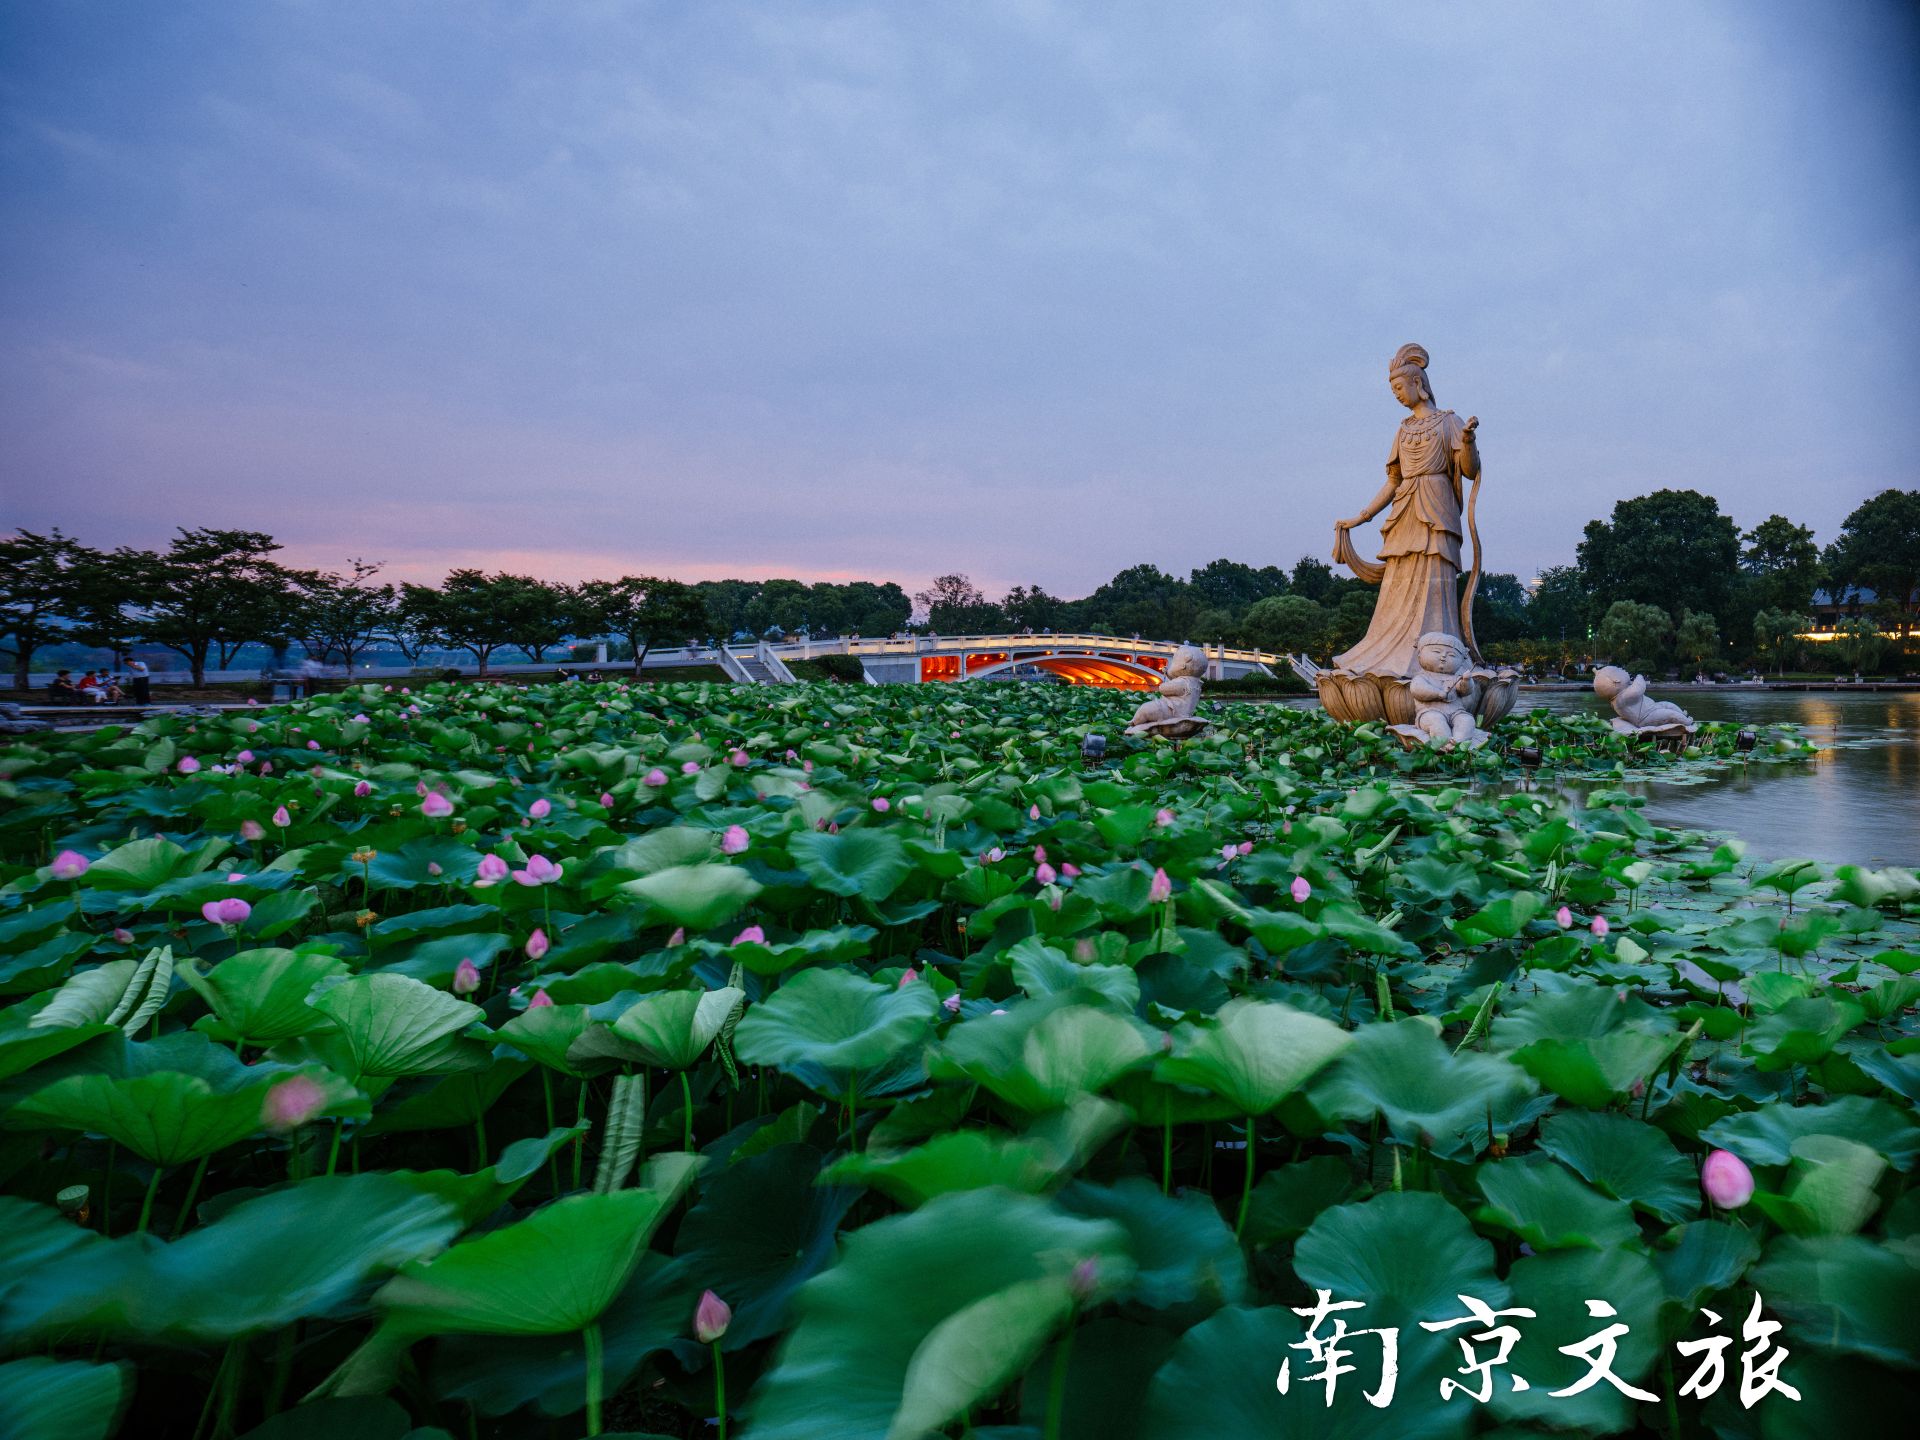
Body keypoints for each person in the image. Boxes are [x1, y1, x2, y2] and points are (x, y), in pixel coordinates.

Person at [1332, 343, 1482, 675]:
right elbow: (1393, 480)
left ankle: (1440, 657)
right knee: (1398, 579)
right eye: (1393, 390)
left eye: (1401, 387)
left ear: (1419, 385)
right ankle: (1387, 655)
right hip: (1405, 511)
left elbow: (1469, 471)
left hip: (1438, 508)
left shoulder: (1449, 421)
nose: (1398, 395)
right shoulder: (1403, 429)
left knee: (1435, 580)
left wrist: (1468, 441)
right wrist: (1360, 518)